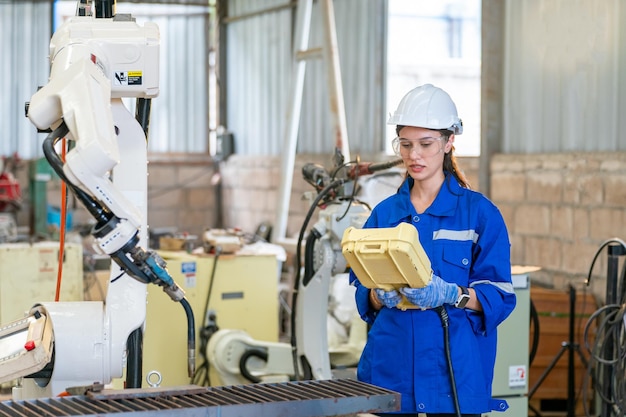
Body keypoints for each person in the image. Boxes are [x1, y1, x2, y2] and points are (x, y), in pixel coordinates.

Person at [349, 84, 516, 417]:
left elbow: (499, 296)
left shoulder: (479, 214)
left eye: (426, 144)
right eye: (406, 145)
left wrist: (450, 294)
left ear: (449, 141)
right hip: (390, 373)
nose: (414, 156)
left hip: (452, 378)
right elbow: (361, 291)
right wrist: (379, 297)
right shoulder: (385, 215)